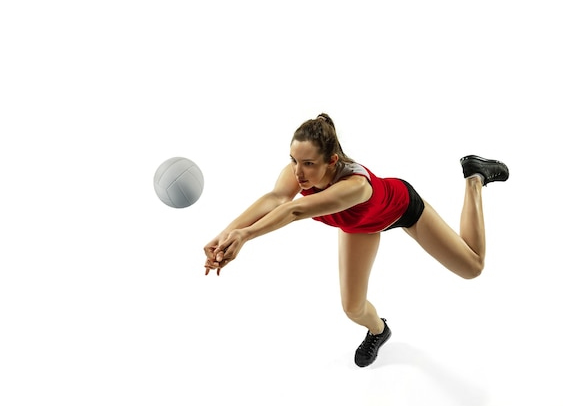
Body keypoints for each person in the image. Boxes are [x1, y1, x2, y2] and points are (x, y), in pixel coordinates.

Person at [203, 113, 509, 367]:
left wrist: (246, 236)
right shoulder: (297, 172)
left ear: (332, 161)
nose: (297, 172)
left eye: (308, 163)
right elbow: (275, 198)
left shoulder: (355, 186)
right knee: (352, 308)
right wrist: (227, 234)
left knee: (473, 267)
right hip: (359, 226)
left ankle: (474, 179)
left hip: (400, 208)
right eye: (294, 160)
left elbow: (294, 209)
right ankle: (379, 330)